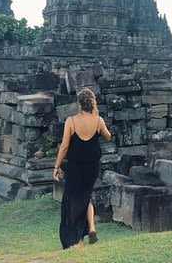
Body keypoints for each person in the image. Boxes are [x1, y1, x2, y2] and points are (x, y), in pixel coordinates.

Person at [53, 88, 111, 249]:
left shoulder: (71, 121)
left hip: (75, 167)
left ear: (79, 103)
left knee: (71, 199)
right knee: (86, 195)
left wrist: (57, 166)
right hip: (92, 167)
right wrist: (97, 123)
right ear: (92, 102)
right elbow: (108, 136)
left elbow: (64, 146)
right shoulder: (98, 120)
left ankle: (75, 239)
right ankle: (91, 227)